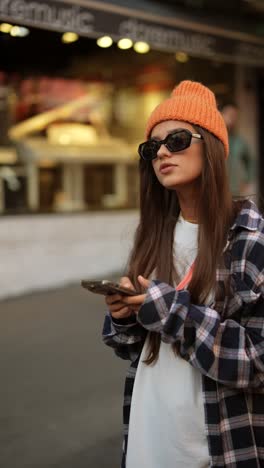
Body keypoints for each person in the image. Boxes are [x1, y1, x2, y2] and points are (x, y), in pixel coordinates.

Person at [102, 81, 264, 468]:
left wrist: (170, 311)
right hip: (149, 436)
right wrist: (125, 317)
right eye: (150, 147)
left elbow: (256, 361)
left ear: (210, 146)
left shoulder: (250, 238)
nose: (160, 152)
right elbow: (134, 350)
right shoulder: (154, 235)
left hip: (214, 444)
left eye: (175, 139)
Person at [221, 103, 255, 196]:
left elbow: (251, 161)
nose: (232, 119)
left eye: (235, 116)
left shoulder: (240, 141)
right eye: (229, 115)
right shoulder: (214, 139)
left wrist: (247, 180)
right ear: (221, 114)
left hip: (235, 190)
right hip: (216, 190)